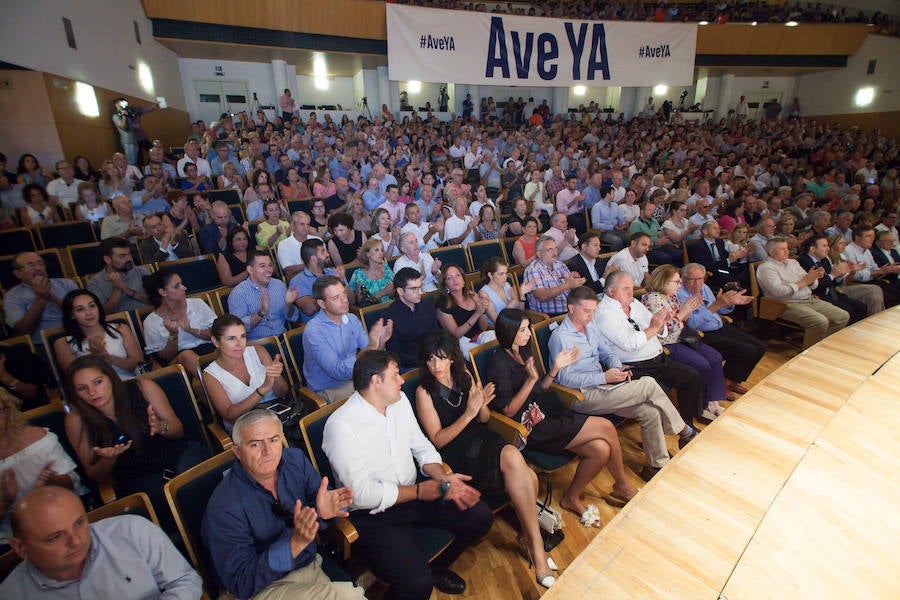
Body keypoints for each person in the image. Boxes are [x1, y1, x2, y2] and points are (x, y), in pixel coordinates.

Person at [323, 350, 493, 598]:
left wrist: (443, 479)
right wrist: (418, 491)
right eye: (395, 375)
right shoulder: (341, 425)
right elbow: (360, 494)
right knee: (416, 585)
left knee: (480, 516)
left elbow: (422, 447)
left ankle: (436, 567)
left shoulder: (399, 401)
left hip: (414, 495)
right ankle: (419, 574)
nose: (402, 380)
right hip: (372, 516)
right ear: (375, 381)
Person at [415, 331, 556, 588]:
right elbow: (437, 439)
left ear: (452, 359)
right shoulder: (424, 392)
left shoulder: (464, 374)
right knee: (528, 475)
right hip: (456, 452)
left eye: (441, 358)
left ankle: (531, 543)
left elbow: (484, 419)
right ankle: (537, 552)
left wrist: (480, 405)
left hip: (481, 437)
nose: (436, 365)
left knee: (518, 462)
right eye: (430, 359)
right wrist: (469, 413)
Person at [491, 307, 642, 524]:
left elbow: (541, 389)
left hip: (546, 412)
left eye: (528, 328)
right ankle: (622, 485)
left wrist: (554, 369)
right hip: (531, 427)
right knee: (607, 427)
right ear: (509, 332)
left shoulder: (524, 351)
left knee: (600, 450)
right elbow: (508, 410)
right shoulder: (499, 363)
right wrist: (530, 380)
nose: (528, 333)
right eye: (523, 330)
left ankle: (571, 498)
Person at [201, 410, 361, 599]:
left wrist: (324, 513)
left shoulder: (295, 460)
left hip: (309, 567)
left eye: (274, 440)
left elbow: (320, 509)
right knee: (348, 596)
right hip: (262, 589)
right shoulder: (223, 507)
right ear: (237, 452)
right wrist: (293, 545)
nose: (268, 451)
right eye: (255, 444)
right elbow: (240, 583)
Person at [548, 287, 696, 482]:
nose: (591, 315)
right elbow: (566, 379)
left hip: (603, 387)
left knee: (648, 412)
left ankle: (656, 465)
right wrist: (604, 378)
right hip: (581, 395)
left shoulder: (590, 326)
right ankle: (685, 431)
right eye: (586, 311)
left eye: (593, 310)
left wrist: (618, 368)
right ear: (571, 309)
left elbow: (607, 352)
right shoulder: (561, 337)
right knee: (648, 384)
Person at [63, 355, 209, 520]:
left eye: (98, 382)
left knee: (191, 485)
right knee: (164, 499)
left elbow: (178, 430)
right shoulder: (76, 420)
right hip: (138, 476)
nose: (92, 392)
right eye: (82, 388)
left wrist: (161, 427)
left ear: (110, 378)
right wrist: (108, 459)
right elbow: (95, 475)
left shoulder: (143, 387)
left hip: (179, 453)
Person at [1, 487, 202, 598]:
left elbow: (184, 580)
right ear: (21, 548)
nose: (76, 540)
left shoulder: (132, 530)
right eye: (55, 537)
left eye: (79, 523)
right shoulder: (11, 594)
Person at [593, 271, 705, 426]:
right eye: (625, 288)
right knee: (658, 394)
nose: (630, 292)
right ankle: (679, 431)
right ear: (610, 291)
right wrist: (654, 327)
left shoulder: (634, 304)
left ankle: (688, 423)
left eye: (631, 288)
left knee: (692, 377)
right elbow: (630, 343)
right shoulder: (604, 313)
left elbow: (658, 329)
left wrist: (662, 323)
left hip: (658, 360)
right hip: (635, 367)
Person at [642, 265, 729, 418]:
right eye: (676, 282)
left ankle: (713, 401)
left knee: (715, 357)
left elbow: (681, 320)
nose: (680, 286)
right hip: (668, 344)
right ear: (663, 282)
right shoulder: (653, 299)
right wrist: (682, 313)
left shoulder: (672, 296)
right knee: (702, 365)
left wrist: (688, 310)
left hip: (681, 338)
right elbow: (662, 330)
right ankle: (701, 406)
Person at [0, 389, 81, 546]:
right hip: (12, 542)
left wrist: (54, 482)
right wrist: (5, 503)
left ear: (7, 411)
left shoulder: (39, 440)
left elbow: (73, 484)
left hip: (62, 522)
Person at [677, 263, 766, 396]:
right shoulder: (679, 294)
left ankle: (733, 381)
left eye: (700, 278)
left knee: (760, 346)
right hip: (701, 334)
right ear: (683, 279)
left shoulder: (704, 288)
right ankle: (723, 383)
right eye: (691, 279)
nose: (697, 283)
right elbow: (692, 324)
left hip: (719, 326)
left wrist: (729, 303)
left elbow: (719, 308)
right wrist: (716, 305)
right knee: (746, 349)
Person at [302, 276, 392, 403]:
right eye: (335, 298)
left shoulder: (352, 319)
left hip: (356, 378)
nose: (344, 300)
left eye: (343, 294)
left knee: (391, 385)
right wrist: (371, 346)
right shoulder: (314, 331)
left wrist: (380, 343)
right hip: (330, 388)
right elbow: (337, 372)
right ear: (322, 304)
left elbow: (370, 355)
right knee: (374, 397)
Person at [756, 237, 850, 349]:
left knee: (842, 316)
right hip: (785, 304)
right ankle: (809, 352)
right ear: (772, 252)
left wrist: (813, 278)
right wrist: (804, 282)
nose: (787, 251)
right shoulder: (766, 268)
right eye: (782, 249)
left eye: (787, 248)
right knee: (820, 322)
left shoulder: (793, 262)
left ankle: (821, 346)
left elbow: (813, 284)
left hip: (808, 299)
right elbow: (779, 292)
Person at [202, 316, 290, 433]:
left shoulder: (258, 352)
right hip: (244, 430)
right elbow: (229, 414)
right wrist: (262, 389)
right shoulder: (210, 374)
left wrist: (275, 377)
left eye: (242, 336)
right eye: (231, 338)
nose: (240, 344)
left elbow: (283, 392)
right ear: (216, 342)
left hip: (276, 419)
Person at [142, 269, 216, 387]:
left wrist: (191, 330)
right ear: (163, 292)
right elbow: (165, 357)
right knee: (186, 355)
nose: (184, 288)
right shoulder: (151, 322)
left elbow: (216, 335)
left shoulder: (197, 304)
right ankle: (219, 380)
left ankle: (214, 383)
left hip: (208, 351)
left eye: (181, 283)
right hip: (179, 363)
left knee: (198, 385)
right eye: (177, 286)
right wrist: (173, 335)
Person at [54, 289, 144, 382]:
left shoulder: (121, 328)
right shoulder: (63, 343)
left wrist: (109, 358)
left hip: (130, 383)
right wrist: (95, 359)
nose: (89, 313)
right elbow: (74, 378)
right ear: (71, 315)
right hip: (95, 392)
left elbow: (139, 365)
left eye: (92, 306)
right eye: (80, 309)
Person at [4, 252, 78, 349]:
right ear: (18, 274)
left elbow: (82, 311)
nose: (38, 268)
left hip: (76, 334)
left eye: (40, 264)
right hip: (43, 344)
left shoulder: (67, 284)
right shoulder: (13, 296)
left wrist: (52, 297)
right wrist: (40, 299)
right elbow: (23, 331)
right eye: (30, 265)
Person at [796, 235, 873, 323]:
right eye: (824, 246)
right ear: (813, 249)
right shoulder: (803, 261)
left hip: (832, 293)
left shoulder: (824, 260)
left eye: (828, 245)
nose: (828, 249)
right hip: (818, 296)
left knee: (861, 306)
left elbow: (833, 282)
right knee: (849, 310)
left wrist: (841, 274)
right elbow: (814, 286)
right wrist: (833, 275)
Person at [228, 250, 300, 341]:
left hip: (284, 338)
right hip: (259, 343)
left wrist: (289, 304)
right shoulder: (238, 294)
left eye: (270, 265)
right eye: (262, 266)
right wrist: (261, 313)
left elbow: (293, 318)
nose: (269, 270)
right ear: (250, 270)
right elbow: (238, 328)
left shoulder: (279, 285)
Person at [383, 268, 440, 371]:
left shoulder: (427, 305)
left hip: (432, 358)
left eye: (420, 287)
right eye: (414, 289)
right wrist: (424, 362)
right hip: (409, 365)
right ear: (400, 291)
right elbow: (396, 353)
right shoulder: (389, 315)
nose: (420, 292)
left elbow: (436, 334)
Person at [436, 263, 496, 355]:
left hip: (479, 336)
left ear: (463, 280)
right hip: (459, 343)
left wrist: (482, 311)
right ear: (445, 285)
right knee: (481, 354)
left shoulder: (473, 296)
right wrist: (477, 314)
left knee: (499, 339)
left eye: (458, 275)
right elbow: (456, 335)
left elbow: (483, 328)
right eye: (449, 278)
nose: (455, 280)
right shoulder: (442, 304)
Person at [523, 236, 585, 317]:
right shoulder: (533, 270)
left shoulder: (560, 265)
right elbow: (542, 296)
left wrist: (574, 282)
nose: (555, 253)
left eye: (555, 249)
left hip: (570, 310)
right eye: (550, 250)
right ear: (539, 254)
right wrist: (567, 285)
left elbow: (572, 289)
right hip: (550, 317)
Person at [86, 237, 151, 313]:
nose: (129, 259)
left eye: (129, 254)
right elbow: (103, 314)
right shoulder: (95, 283)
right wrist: (117, 290)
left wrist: (128, 291)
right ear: (107, 259)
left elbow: (157, 301)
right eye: (122, 256)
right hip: (120, 323)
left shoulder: (142, 272)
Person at [289, 238, 345, 324]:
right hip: (319, 327)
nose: (327, 254)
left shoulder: (333, 272)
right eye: (323, 252)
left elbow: (351, 300)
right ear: (313, 259)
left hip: (342, 320)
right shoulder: (297, 281)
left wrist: (341, 282)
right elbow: (308, 309)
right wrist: (331, 290)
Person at [842, 225, 900, 307]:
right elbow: (855, 275)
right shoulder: (848, 251)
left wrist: (886, 269)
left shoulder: (867, 251)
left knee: (897, 295)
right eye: (868, 236)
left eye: (873, 236)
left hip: (873, 281)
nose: (872, 239)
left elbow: (875, 269)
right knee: (891, 299)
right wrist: (878, 271)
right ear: (857, 238)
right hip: (857, 284)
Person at [687, 221, 750, 293]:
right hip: (712, 273)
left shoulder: (720, 242)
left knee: (748, 267)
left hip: (724, 269)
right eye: (714, 228)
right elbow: (705, 265)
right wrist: (728, 260)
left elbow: (726, 257)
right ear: (705, 231)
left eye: (718, 228)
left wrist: (736, 255)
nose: (718, 231)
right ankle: (732, 284)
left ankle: (737, 286)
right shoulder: (697, 246)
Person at [478, 256, 535, 324]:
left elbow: (520, 311)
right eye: (501, 274)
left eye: (506, 273)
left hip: (514, 324)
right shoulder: (484, 293)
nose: (505, 277)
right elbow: (497, 321)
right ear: (490, 275)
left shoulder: (507, 285)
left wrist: (522, 295)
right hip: (501, 330)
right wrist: (511, 303)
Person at [277, 210, 323, 280]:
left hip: (321, 276)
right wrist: (312, 264)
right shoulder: (283, 245)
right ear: (292, 226)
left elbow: (327, 261)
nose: (306, 227)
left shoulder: (318, 240)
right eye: (302, 224)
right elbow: (288, 270)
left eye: (308, 224)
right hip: (299, 279)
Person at [566, 231, 616, 295]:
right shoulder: (574, 265)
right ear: (584, 247)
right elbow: (583, 291)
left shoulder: (600, 261)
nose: (599, 248)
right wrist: (604, 279)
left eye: (599, 245)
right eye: (595, 245)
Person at [348, 238, 395, 306]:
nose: (381, 253)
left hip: (391, 306)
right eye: (376, 250)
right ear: (368, 254)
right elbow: (362, 303)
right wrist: (383, 293)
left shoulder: (386, 268)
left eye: (382, 250)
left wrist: (391, 291)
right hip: (374, 312)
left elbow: (393, 295)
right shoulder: (359, 274)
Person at [590, 182, 629, 251]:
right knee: (617, 240)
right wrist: (612, 227)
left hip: (616, 229)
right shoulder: (597, 207)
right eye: (613, 193)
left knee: (627, 237)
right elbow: (595, 225)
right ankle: (612, 257)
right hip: (603, 232)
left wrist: (623, 223)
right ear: (608, 195)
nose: (614, 195)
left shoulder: (615, 205)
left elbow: (619, 218)